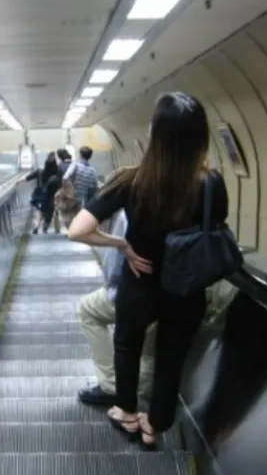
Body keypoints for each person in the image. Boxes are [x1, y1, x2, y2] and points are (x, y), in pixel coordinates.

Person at [67, 92, 229, 449]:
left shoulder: (131, 180)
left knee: (126, 345)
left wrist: (122, 245)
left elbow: (77, 229)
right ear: (201, 137)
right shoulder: (212, 183)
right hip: (186, 288)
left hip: (140, 284)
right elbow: (213, 228)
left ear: (154, 134)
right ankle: (154, 425)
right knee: (172, 356)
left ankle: (125, 412)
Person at [77, 209, 157, 406]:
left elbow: (114, 268)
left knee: (88, 309)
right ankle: (142, 389)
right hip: (176, 295)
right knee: (149, 341)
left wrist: (112, 288)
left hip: (136, 294)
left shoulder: (130, 214)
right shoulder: (186, 202)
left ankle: (111, 387)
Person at [23, 152, 60, 234]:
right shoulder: (58, 174)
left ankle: (36, 226)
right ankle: (45, 227)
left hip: (41, 196)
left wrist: (18, 182)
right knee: (49, 214)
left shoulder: (40, 172)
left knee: (39, 211)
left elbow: (27, 178)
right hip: (52, 198)